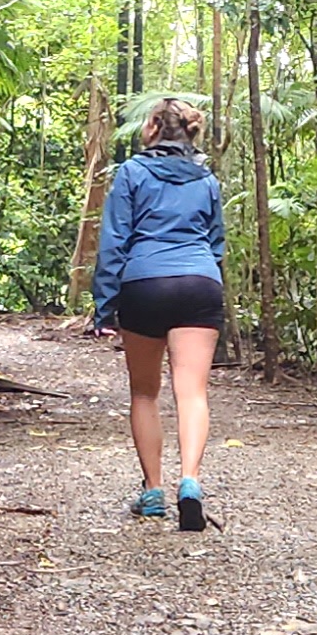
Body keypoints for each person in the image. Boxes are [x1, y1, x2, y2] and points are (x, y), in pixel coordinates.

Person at [90, 96, 224, 530]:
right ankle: (190, 482)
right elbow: (216, 242)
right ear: (189, 131)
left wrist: (105, 307)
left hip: (145, 283)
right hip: (199, 283)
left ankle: (152, 491)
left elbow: (114, 243)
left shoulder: (131, 173)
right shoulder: (207, 181)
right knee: (193, 392)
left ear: (151, 128)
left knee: (145, 393)